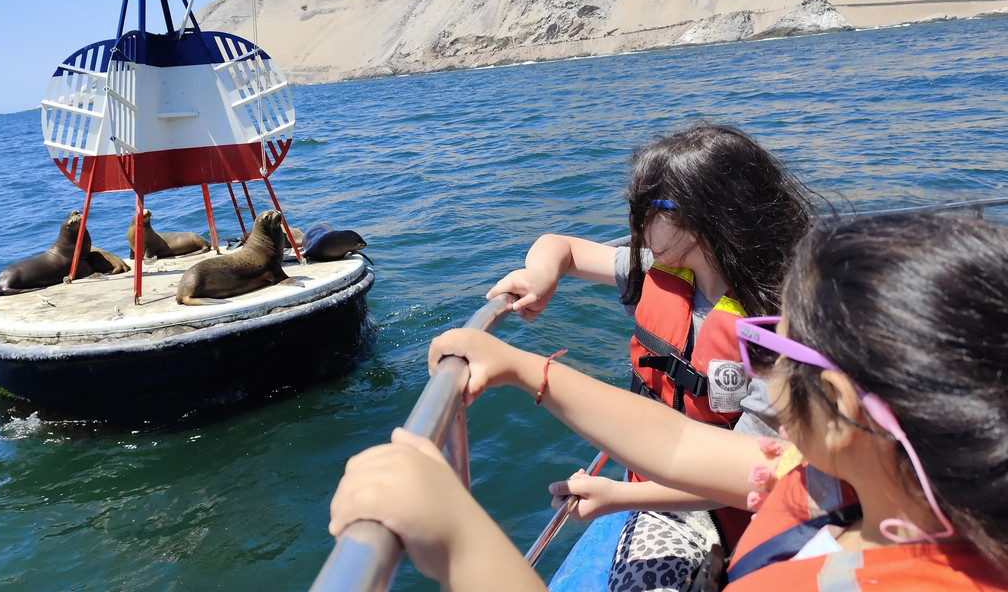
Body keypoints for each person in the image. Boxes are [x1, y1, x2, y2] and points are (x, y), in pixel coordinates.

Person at [330, 214, 1008, 591]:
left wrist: (457, 539)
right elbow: (683, 444)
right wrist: (522, 368)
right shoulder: (855, 481)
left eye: (776, 344)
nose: (755, 355)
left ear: (839, 411)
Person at [485, 122, 814, 589]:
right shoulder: (659, 270)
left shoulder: (777, 325)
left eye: (648, 208)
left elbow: (752, 475)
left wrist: (620, 497)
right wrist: (541, 275)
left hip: (737, 499)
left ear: (707, 215)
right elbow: (562, 247)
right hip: (664, 485)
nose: (635, 224)